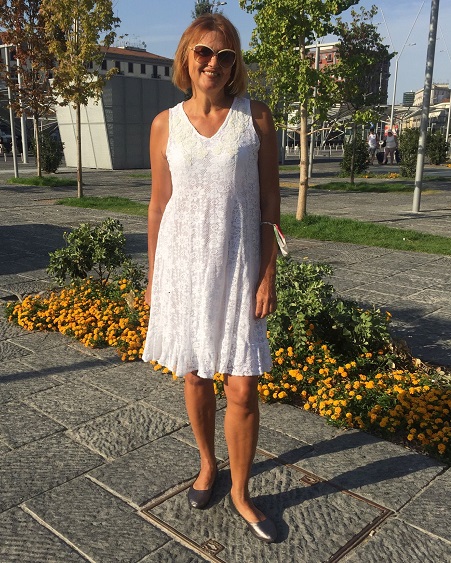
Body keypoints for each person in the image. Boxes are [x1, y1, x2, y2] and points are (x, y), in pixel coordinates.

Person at [142, 14, 280, 543]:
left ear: (234, 63)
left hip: (240, 267)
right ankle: (207, 464)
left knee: (242, 388)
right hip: (184, 267)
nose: (214, 63)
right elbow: (159, 206)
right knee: (196, 375)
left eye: (225, 55)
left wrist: (268, 272)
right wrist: (154, 277)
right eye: (204, 52)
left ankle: (242, 492)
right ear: (187, 56)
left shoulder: (255, 118)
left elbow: (270, 203)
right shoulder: (164, 124)